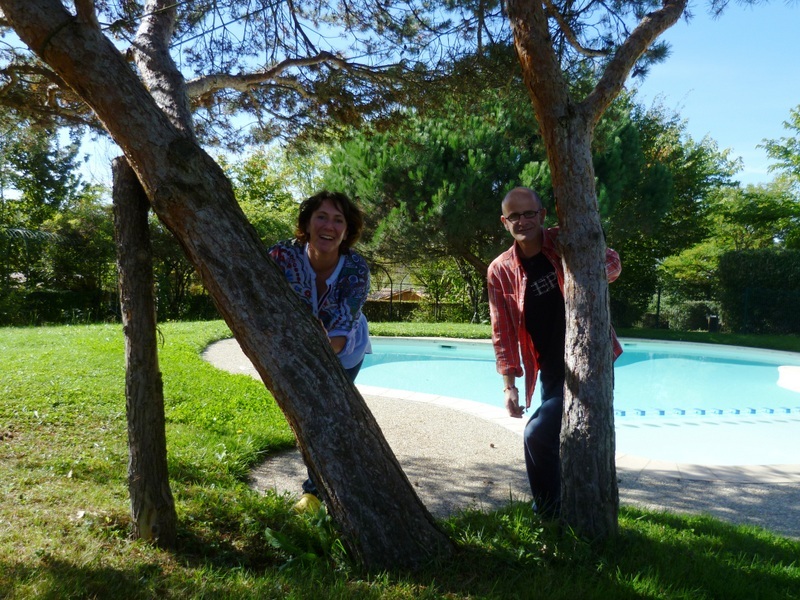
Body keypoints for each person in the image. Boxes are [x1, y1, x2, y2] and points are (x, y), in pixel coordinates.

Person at [487, 187, 622, 519]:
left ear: (542, 215)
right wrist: (509, 387)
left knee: (537, 434)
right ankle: (560, 510)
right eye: (514, 216)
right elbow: (503, 334)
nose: (523, 221)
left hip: (588, 361)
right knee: (554, 438)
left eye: (529, 213)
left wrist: (579, 271)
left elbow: (613, 263)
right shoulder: (500, 271)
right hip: (548, 369)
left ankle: (548, 512)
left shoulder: (566, 240)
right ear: (505, 222)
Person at [268, 190, 371, 510]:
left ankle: (313, 493)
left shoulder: (356, 269)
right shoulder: (282, 256)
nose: (329, 226)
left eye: (338, 220)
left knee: (326, 415)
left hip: (345, 350)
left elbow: (340, 332)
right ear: (307, 223)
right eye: (321, 217)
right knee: (312, 415)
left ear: (347, 230)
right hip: (298, 347)